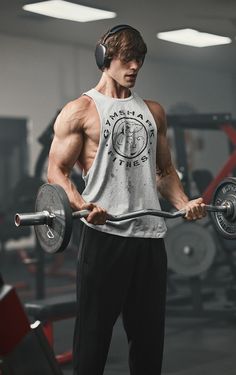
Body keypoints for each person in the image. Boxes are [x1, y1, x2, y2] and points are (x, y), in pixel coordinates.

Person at [47, 25, 206, 375]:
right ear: (105, 58)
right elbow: (56, 172)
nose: (134, 66)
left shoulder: (154, 112)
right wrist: (82, 205)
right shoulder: (80, 111)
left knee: (149, 342)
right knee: (93, 339)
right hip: (105, 237)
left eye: (140, 60)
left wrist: (182, 203)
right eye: (127, 58)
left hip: (150, 238)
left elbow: (164, 173)